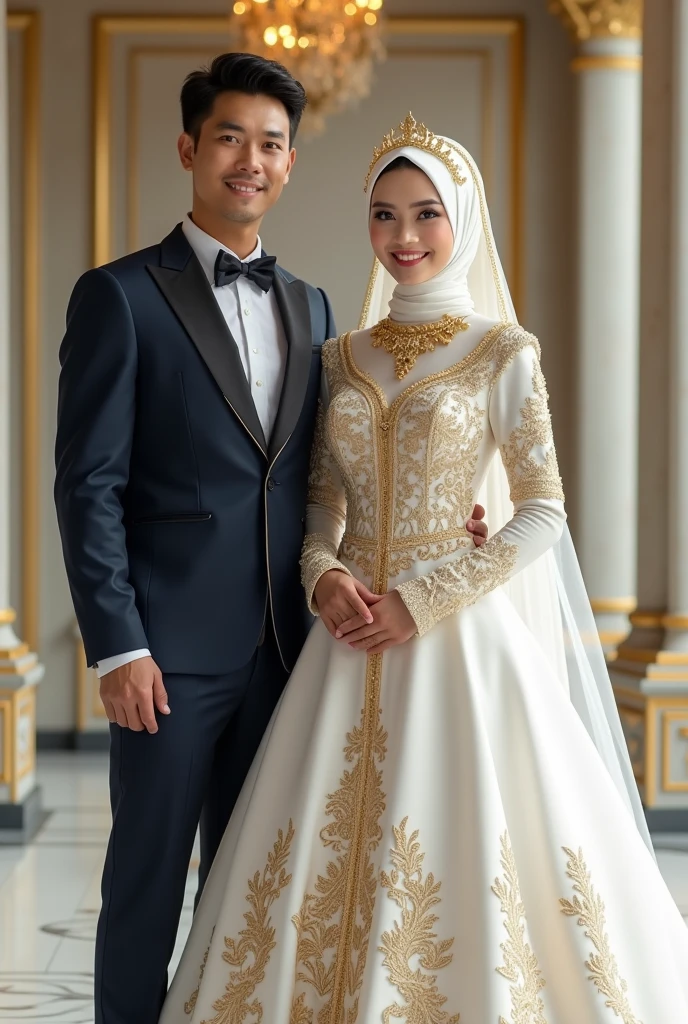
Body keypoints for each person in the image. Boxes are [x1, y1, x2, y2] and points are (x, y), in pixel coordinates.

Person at [160, 115, 688, 1023]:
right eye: (384, 216)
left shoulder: (501, 352)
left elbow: (543, 512)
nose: (404, 237)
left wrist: (424, 598)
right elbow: (321, 499)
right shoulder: (338, 356)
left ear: (464, 219)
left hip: (455, 632)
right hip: (347, 628)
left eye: (426, 215)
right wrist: (324, 575)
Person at [53, 54, 489, 1024]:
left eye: (273, 143)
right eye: (231, 138)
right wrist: (119, 642)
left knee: (256, 886)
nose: (252, 160)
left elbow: (330, 479)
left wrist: (452, 520)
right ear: (190, 149)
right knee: (146, 882)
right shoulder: (119, 296)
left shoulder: (313, 307)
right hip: (165, 653)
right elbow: (88, 486)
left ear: (290, 163)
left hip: (295, 652)